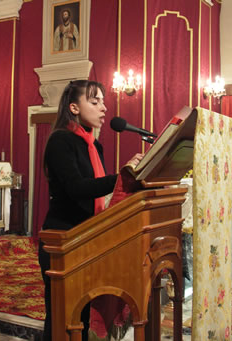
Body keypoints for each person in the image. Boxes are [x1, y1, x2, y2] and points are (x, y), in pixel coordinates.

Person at [38, 80, 142, 341]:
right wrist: (121, 176)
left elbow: (99, 191)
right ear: (74, 107)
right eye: (94, 102)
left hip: (87, 237)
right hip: (62, 239)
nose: (104, 108)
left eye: (103, 102)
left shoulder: (95, 145)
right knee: (62, 318)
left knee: (82, 315)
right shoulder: (60, 141)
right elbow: (77, 188)